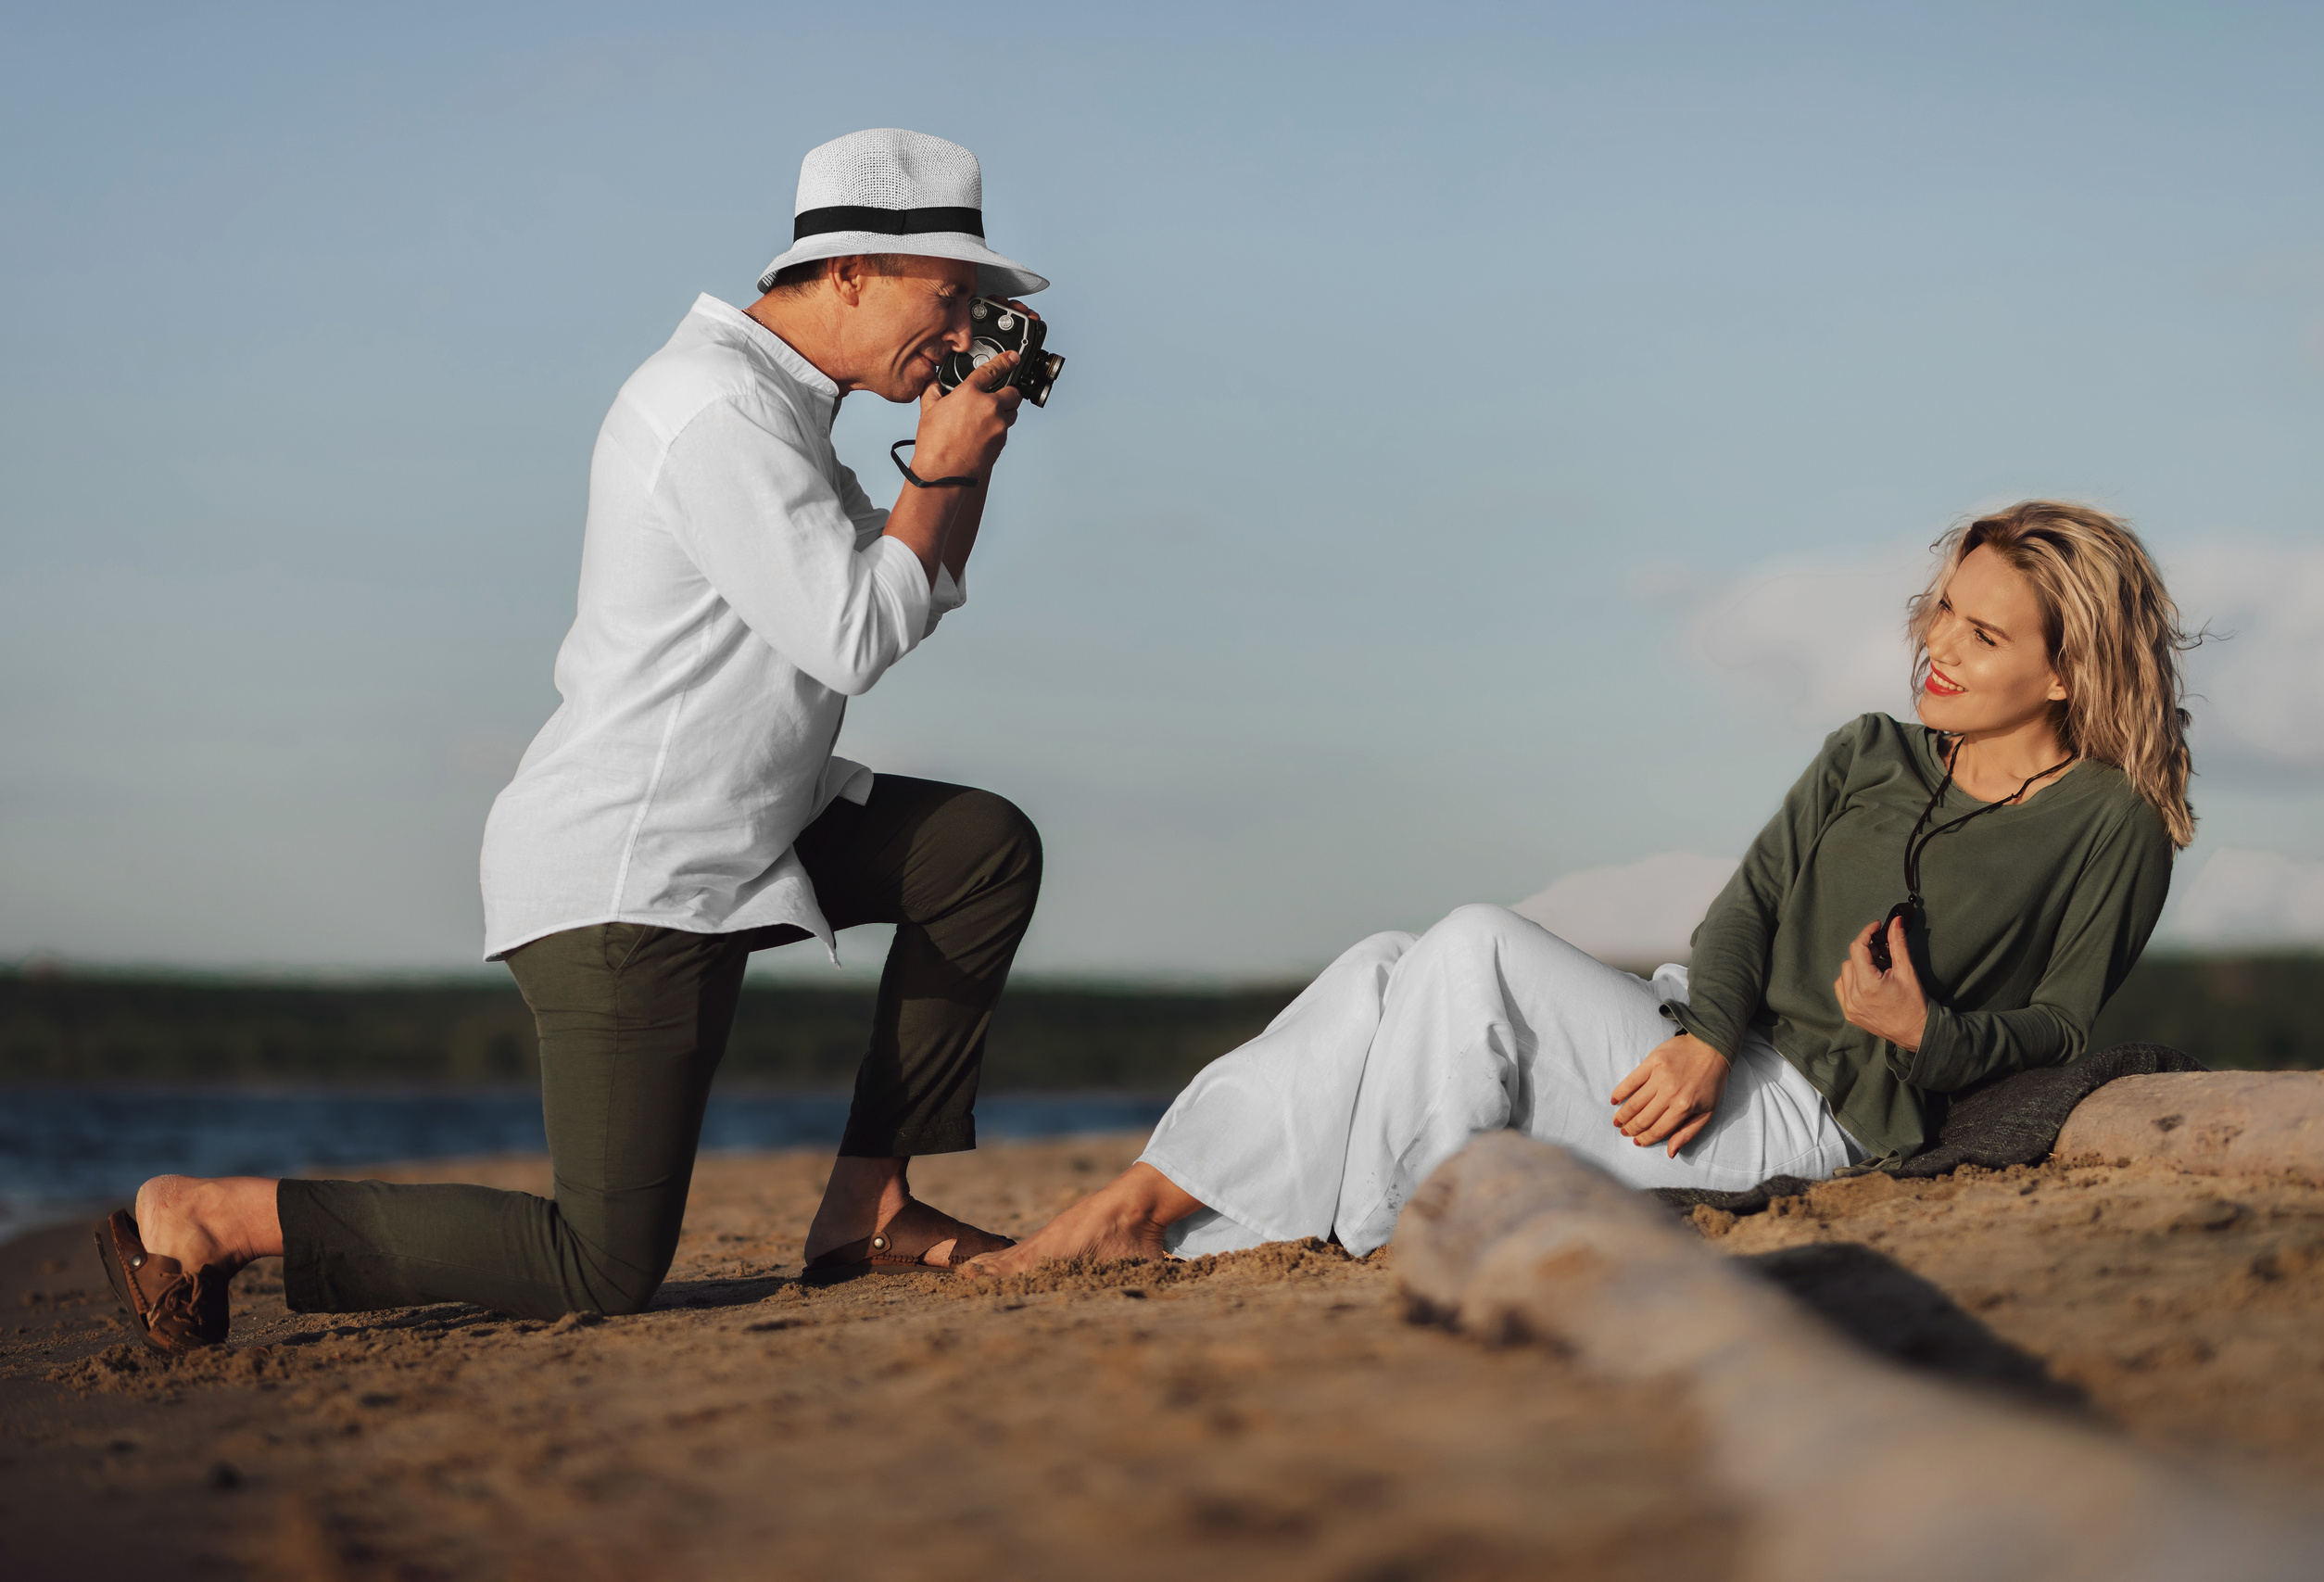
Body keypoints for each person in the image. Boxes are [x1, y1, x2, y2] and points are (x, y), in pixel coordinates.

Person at [99, 128, 1054, 1352]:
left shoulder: (780, 408)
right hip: (630, 873)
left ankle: (870, 1204)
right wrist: (944, 464)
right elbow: (858, 635)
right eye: (953, 293)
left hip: (758, 827)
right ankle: (207, 1216)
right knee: (600, 1264)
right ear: (853, 269)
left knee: (976, 849)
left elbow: (904, 583)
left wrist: (955, 467)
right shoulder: (711, 407)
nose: (965, 325)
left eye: (981, 307)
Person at [969, 500, 2194, 1274]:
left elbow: (2065, 1029)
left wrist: (1928, 1035)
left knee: (1471, 949)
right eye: (1944, 609)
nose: (1939, 644)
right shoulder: (1869, 753)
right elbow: (1746, 912)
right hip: (1707, 1045)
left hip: (1816, 1111)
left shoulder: (2111, 824)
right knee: (1388, 967)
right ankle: (1150, 1201)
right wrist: (1710, 1036)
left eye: (1985, 636)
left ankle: (1394, 1234)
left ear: (2066, 674)